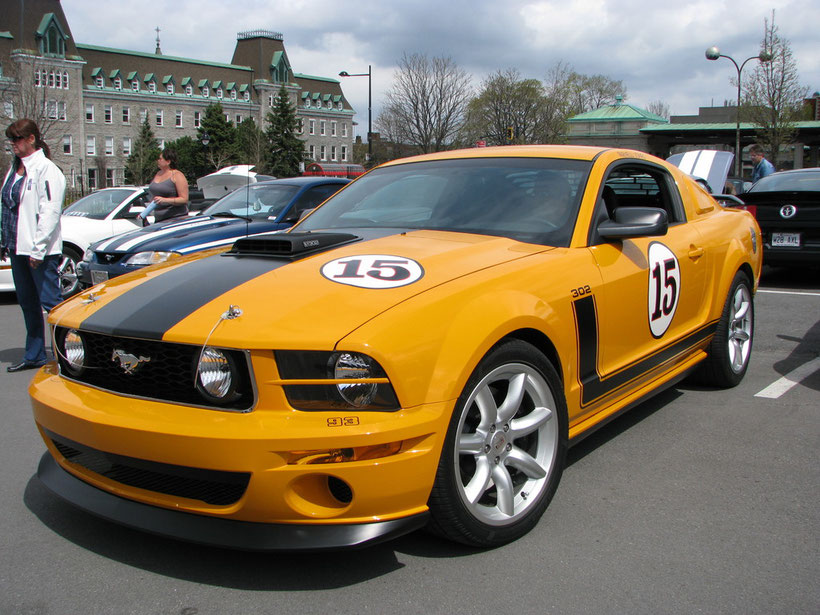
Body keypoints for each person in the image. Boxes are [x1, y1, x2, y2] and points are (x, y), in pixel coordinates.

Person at [1, 118, 66, 372]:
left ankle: (69, 354)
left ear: (31, 139)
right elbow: (7, 206)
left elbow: (49, 212)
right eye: (11, 140)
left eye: (17, 139)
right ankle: (35, 354)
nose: (13, 144)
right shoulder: (14, 169)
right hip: (18, 247)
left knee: (51, 304)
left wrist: (39, 250)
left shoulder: (46, 169)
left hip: (40, 251)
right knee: (28, 303)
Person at [138, 148, 189, 224]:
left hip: (175, 219)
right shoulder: (158, 173)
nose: (158, 160)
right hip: (159, 219)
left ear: (168, 162)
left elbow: (184, 199)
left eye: (160, 159)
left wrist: (165, 200)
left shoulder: (177, 175)